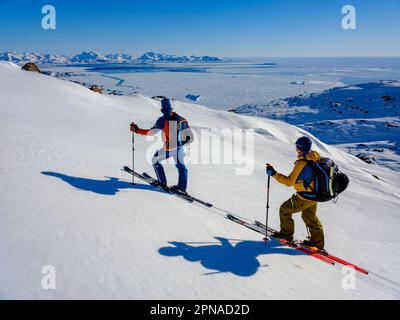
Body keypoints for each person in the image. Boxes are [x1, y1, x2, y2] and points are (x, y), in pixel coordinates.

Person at [266, 136, 325, 249]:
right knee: (309, 216)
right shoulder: (314, 157)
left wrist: (273, 173)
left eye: (297, 147)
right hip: (315, 195)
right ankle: (317, 242)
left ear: (300, 148)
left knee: (285, 209)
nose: (296, 149)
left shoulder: (301, 163)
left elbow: (289, 182)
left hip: (304, 196)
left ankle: (286, 235)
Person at [130, 98, 189, 193]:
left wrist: (137, 130)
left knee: (155, 160)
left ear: (162, 109)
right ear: (171, 108)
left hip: (169, 148)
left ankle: (162, 183)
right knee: (181, 166)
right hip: (180, 148)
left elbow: (150, 133)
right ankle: (182, 187)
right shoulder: (181, 119)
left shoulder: (162, 120)